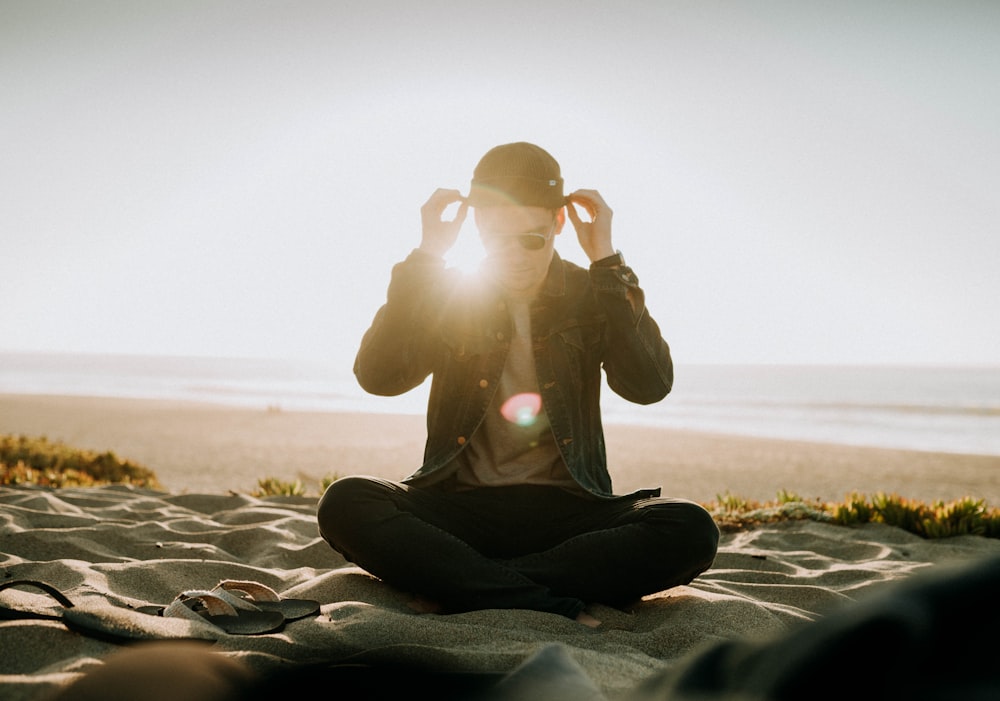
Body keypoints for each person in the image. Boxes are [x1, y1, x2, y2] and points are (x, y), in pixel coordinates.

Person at [316, 141, 719, 627]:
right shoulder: (450, 293)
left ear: (559, 224)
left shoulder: (594, 291)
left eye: (532, 238)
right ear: (477, 231)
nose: (516, 255)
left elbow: (650, 385)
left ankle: (468, 585)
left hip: (570, 515)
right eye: (496, 238)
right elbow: (379, 378)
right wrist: (426, 258)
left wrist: (608, 262)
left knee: (690, 528)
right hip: (458, 509)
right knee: (345, 501)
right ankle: (536, 594)